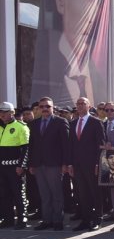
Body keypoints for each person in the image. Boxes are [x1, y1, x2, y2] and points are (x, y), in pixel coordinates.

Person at [28, 97, 70, 231]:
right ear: (39, 109)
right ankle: (47, 220)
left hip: (55, 164)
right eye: (42, 107)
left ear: (53, 108)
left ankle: (57, 220)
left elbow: (66, 145)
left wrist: (65, 164)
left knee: (56, 193)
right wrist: (31, 164)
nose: (45, 109)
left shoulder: (61, 122)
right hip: (39, 164)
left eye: (48, 106)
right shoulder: (34, 123)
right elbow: (32, 145)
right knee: (44, 194)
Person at [66, 97, 105, 231]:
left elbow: (100, 144)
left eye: (83, 104)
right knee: (82, 193)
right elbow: (70, 145)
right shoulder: (73, 123)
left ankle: (97, 218)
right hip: (77, 165)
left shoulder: (96, 122)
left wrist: (97, 164)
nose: (80, 106)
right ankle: (85, 219)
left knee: (95, 192)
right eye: (78, 104)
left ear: (89, 106)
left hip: (92, 164)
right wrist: (70, 164)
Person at [0, 102, 30, 229]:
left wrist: (21, 166)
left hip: (15, 167)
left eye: (4, 112)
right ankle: (8, 219)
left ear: (12, 113)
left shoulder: (21, 127)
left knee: (18, 193)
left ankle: (22, 218)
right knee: (4, 194)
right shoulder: (0, 127)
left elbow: (26, 149)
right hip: (2, 168)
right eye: (0, 112)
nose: (1, 115)